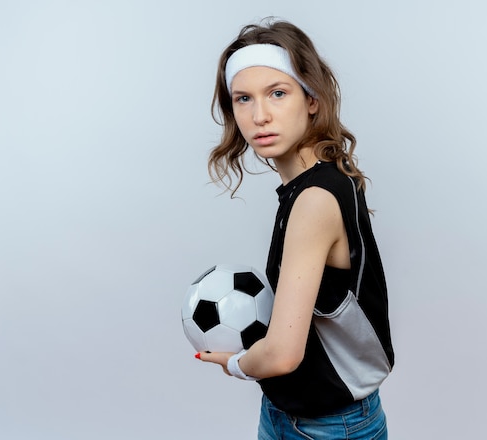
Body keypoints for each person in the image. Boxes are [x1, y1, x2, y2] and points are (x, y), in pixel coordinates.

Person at [197, 18, 394, 439]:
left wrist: (235, 362)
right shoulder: (316, 183)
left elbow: (284, 355)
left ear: (312, 99)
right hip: (287, 414)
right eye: (243, 99)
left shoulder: (314, 200)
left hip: (329, 428)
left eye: (278, 93)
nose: (259, 115)